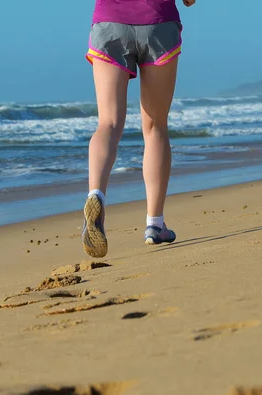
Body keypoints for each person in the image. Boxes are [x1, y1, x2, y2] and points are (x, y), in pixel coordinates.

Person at [81, 0, 196, 258]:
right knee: (155, 126)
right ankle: (155, 224)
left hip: (110, 22)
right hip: (158, 23)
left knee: (108, 122)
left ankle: (96, 193)